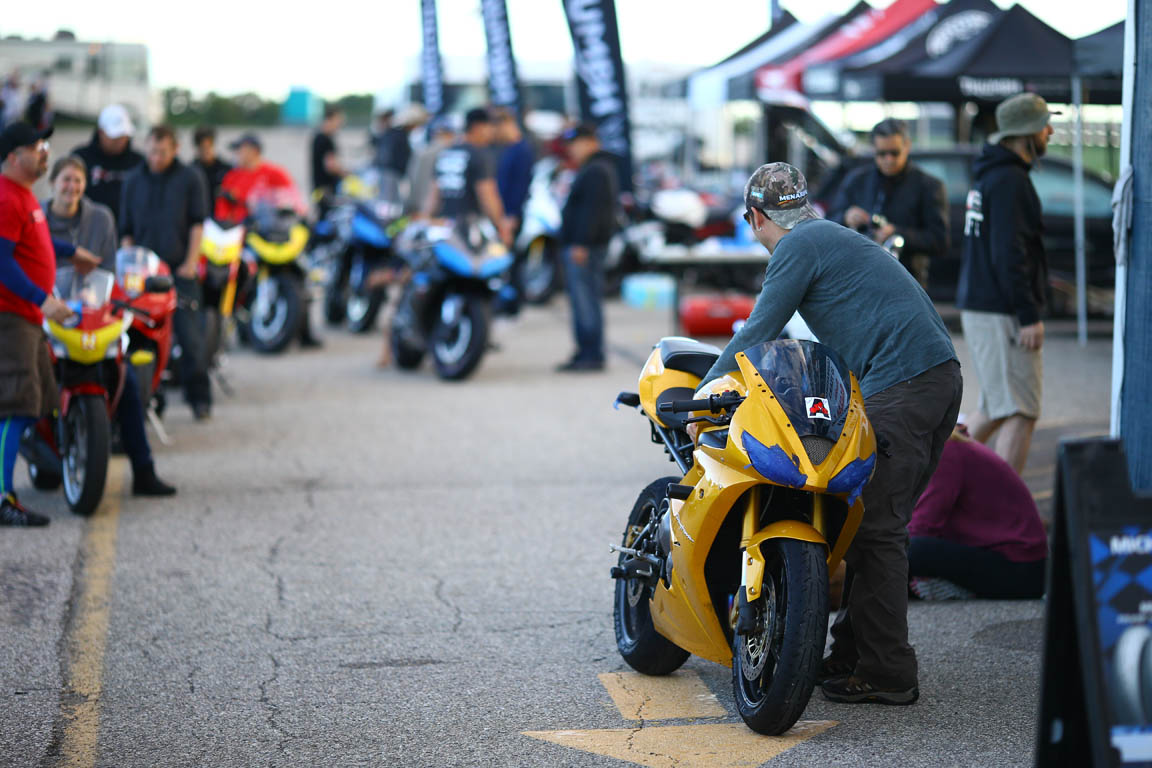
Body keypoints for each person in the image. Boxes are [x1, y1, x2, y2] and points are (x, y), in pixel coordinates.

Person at [697, 162, 962, 705]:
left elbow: (759, 330)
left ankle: (888, 672)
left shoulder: (796, 246)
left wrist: (704, 394)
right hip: (934, 379)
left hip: (905, 385)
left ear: (755, 217)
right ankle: (851, 653)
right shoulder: (831, 237)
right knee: (865, 519)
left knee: (877, 530)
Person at [42, 155, 176, 496]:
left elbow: (110, 270)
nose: (71, 187)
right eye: (65, 179)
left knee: (126, 381)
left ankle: (144, 471)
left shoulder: (101, 218)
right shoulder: (38, 218)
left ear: (85, 185)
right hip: (47, 313)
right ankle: (36, 454)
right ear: (52, 182)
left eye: (77, 180)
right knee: (31, 380)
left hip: (92, 314)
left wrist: (108, 298)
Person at [0, 122, 101, 525]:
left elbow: (34, 242)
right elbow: (2, 260)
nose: (44, 152)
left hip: (27, 319)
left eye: (44, 145)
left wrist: (70, 251)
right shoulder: (7, 198)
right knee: (16, 409)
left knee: (36, 406)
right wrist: (43, 299)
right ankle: (3, 499)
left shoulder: (24, 196)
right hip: (11, 319)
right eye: (36, 146)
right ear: (13, 157)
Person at [956, 93, 1055, 474]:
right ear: (1027, 133)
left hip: (985, 305)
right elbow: (1010, 252)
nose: (1050, 131)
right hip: (1002, 310)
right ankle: (1002, 502)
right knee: (1020, 409)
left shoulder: (991, 174)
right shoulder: (1010, 180)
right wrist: (1028, 314)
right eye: (1045, 125)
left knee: (998, 407)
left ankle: (935, 483)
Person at [120, 125, 212, 420]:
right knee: (138, 339)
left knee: (190, 338)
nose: (156, 157)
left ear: (175, 149)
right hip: (143, 276)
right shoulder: (133, 180)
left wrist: (189, 264)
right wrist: (128, 267)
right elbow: (126, 231)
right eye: (152, 151)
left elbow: (198, 224)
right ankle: (145, 399)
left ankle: (199, 399)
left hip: (179, 272)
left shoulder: (191, 178)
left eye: (162, 152)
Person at [907, 426, 1047, 600]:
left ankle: (936, 586)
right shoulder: (944, 446)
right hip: (1008, 560)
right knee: (896, 553)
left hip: (1020, 568)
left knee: (910, 549)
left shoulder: (946, 452)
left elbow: (922, 526)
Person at [216, 134, 320, 348]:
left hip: (270, 235)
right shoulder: (232, 177)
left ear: (253, 150)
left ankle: (305, 332)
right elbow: (222, 209)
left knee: (299, 274)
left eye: (240, 149)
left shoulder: (274, 173)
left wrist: (301, 216)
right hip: (244, 237)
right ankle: (229, 326)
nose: (236, 154)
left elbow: (293, 200)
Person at [828, 118, 948, 290]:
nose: (889, 160)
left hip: (906, 284)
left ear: (907, 146)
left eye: (895, 153)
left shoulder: (929, 186)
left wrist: (897, 233)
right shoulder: (856, 180)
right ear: (873, 150)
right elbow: (828, 222)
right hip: (859, 281)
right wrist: (846, 217)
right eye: (882, 153)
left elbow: (940, 241)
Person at [556, 123, 618, 373]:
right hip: (585, 245)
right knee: (585, 299)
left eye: (576, 144)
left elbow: (592, 212)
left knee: (585, 301)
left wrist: (581, 243)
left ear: (591, 142)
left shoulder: (596, 170)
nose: (572, 149)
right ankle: (586, 351)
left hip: (585, 247)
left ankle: (590, 353)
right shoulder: (594, 168)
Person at [423, 107, 512, 245]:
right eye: (490, 127)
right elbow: (487, 195)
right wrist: (501, 226)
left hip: (444, 228)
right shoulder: (479, 155)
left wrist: (427, 219)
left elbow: (433, 194)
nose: (492, 133)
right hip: (471, 231)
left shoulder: (446, 152)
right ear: (478, 127)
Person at [71, 104, 144, 225]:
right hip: (88, 227)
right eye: (115, 136)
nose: (120, 141)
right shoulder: (81, 158)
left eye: (123, 136)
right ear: (101, 132)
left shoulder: (139, 162)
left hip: (128, 231)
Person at [492, 108, 534, 235]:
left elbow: (520, 185)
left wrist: (512, 214)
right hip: (504, 213)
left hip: (511, 216)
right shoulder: (506, 148)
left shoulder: (522, 150)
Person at [404, 116, 455, 216]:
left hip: (418, 205)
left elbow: (411, 179)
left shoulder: (421, 152)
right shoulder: (447, 152)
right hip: (435, 209)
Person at [310, 104, 346, 215]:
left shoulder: (317, 137)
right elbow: (331, 166)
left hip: (319, 189)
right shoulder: (326, 140)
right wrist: (346, 174)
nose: (340, 123)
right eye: (339, 119)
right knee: (328, 218)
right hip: (327, 190)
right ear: (331, 119)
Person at [191, 125, 232, 208]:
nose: (206, 151)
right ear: (197, 148)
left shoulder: (226, 169)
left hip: (220, 214)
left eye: (209, 146)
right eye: (202, 147)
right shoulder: (190, 171)